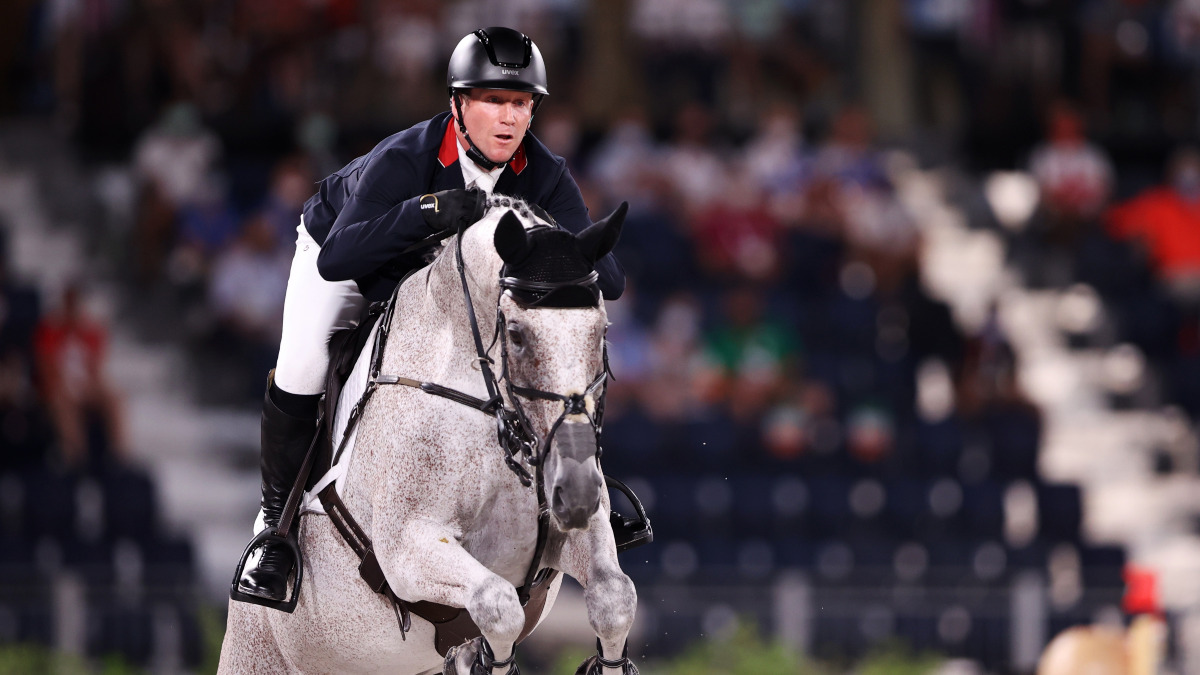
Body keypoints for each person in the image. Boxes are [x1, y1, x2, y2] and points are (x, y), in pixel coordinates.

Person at [232, 27, 626, 610]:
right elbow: (343, 257)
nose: (509, 117)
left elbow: (608, 281)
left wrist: (561, 243)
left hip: (444, 288)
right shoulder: (407, 159)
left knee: (543, 351)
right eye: (493, 100)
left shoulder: (543, 172)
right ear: (458, 105)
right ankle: (275, 530)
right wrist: (426, 211)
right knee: (304, 363)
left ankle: (570, 491)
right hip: (349, 258)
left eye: (521, 103)